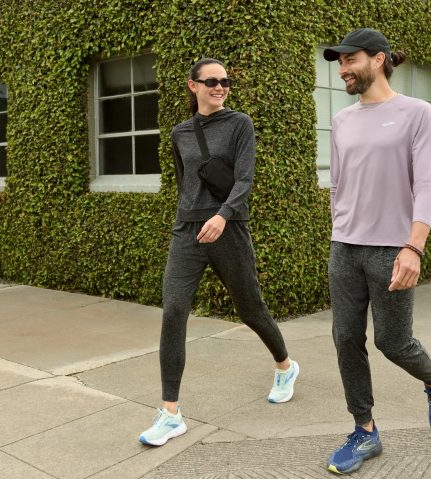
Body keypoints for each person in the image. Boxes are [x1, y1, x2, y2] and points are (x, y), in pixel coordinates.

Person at [138, 58, 300, 447]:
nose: (221, 86)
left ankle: (285, 366)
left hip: (229, 229)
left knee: (250, 309)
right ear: (192, 86)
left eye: (225, 81)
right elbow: (184, 182)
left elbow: (245, 178)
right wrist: (189, 219)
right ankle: (171, 413)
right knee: (174, 310)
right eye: (212, 81)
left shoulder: (240, 124)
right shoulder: (180, 132)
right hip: (188, 231)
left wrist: (224, 215)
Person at [322, 28, 431, 474]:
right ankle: (365, 431)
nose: (342, 69)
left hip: (392, 249)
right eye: (338, 62)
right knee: (346, 339)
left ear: (378, 59)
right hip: (345, 246)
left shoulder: (415, 113)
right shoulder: (342, 120)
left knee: (393, 342)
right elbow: (338, 182)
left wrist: (413, 247)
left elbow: (427, 183)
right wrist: (337, 228)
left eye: (349, 60)